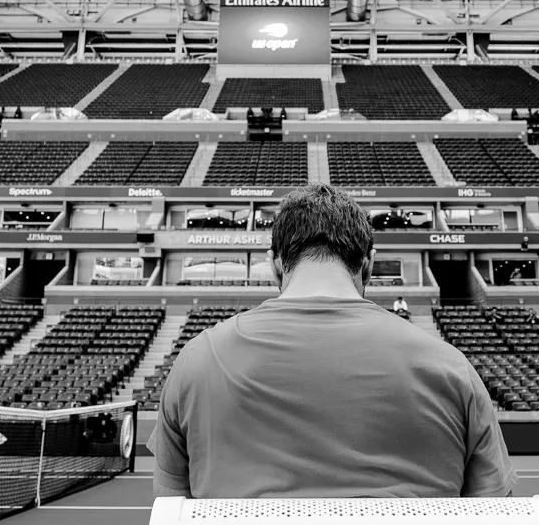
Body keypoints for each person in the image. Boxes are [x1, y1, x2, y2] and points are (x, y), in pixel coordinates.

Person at [148, 184, 517, 498]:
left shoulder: (194, 361)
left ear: (274, 263)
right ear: (369, 264)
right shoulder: (452, 367)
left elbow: (168, 507)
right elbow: (498, 511)